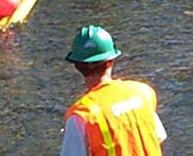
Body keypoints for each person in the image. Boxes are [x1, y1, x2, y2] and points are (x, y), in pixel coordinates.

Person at [60, 26, 166, 156]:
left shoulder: (82, 114)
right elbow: (159, 137)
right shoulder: (142, 93)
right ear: (110, 61)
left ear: (77, 66)